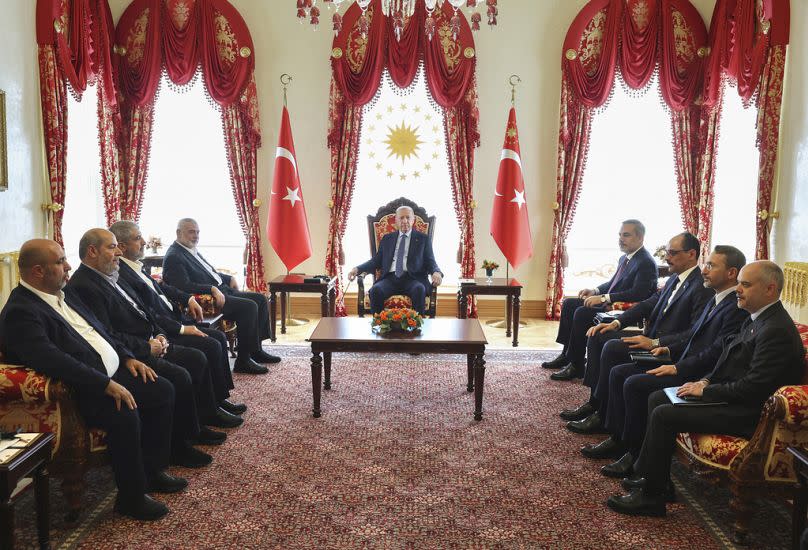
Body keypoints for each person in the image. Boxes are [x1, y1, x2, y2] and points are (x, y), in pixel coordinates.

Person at [0, 239, 184, 521]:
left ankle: (152, 471)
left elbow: (100, 332)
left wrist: (127, 357)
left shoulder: (65, 294)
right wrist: (103, 383)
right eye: (60, 261)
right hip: (79, 388)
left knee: (162, 390)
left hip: (110, 371)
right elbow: (52, 359)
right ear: (37, 271)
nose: (68, 266)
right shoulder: (20, 312)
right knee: (125, 411)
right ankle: (131, 498)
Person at [607, 260, 805, 517]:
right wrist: (706, 381)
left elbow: (754, 388)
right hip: (731, 398)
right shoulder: (758, 316)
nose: (738, 290)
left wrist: (706, 392)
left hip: (748, 414)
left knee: (664, 414)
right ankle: (656, 480)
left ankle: (651, 499)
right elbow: (726, 359)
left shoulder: (775, 330)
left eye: (745, 285)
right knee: (658, 397)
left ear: (770, 289)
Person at [582, 246, 749, 479]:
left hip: (697, 371)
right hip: (678, 355)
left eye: (711, 265)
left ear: (731, 273)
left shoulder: (731, 305)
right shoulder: (716, 298)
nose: (705, 270)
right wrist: (664, 347)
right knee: (619, 370)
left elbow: (716, 351)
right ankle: (617, 435)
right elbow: (694, 335)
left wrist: (673, 361)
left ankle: (634, 453)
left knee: (634, 383)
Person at [67, 229, 228, 469]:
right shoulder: (84, 285)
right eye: (112, 247)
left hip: (149, 341)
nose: (118, 253)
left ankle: (193, 431)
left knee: (195, 357)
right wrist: (145, 348)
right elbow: (107, 333)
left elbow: (144, 311)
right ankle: (180, 445)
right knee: (182, 371)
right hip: (133, 351)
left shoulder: (109, 274)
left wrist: (160, 335)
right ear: (92, 252)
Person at [561, 232, 713, 433]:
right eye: (667, 252)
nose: (667, 257)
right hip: (651, 339)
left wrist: (655, 342)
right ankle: (595, 403)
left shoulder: (701, 287)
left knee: (612, 348)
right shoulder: (675, 279)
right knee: (600, 335)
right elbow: (648, 304)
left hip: (665, 348)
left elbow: (693, 333)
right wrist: (617, 323)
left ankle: (603, 415)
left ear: (691, 254)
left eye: (672, 253)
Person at [109, 220, 246, 418]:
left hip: (173, 317)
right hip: (165, 328)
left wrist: (187, 297)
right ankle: (210, 411)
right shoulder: (121, 273)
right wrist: (180, 328)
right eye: (138, 238)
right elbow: (147, 312)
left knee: (216, 338)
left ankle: (218, 399)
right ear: (122, 246)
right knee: (210, 344)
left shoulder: (135, 266)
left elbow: (162, 287)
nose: (144, 243)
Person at [162, 218, 278, 374]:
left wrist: (229, 278)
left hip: (221, 291)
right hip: (206, 300)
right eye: (191, 232)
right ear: (178, 232)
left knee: (260, 299)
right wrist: (211, 289)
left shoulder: (190, 249)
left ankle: (256, 350)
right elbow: (181, 285)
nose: (195, 236)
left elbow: (210, 273)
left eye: (197, 232)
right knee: (249, 307)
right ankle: (243, 361)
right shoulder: (174, 256)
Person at [546, 220, 658, 381]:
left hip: (623, 310)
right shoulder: (625, 258)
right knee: (570, 303)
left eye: (626, 235)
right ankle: (566, 354)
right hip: (609, 304)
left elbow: (638, 294)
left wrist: (604, 297)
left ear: (640, 238)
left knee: (582, 312)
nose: (621, 239)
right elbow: (613, 283)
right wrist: (595, 291)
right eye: (620, 235)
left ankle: (577, 365)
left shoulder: (645, 261)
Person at [347, 205, 443, 315]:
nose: (405, 221)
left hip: (413, 279)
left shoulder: (423, 239)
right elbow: (376, 261)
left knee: (419, 289)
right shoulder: (387, 238)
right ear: (396, 221)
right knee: (375, 290)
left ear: (413, 220)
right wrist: (357, 269)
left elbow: (430, 261)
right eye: (401, 218)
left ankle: (417, 327)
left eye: (408, 217)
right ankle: (379, 327)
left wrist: (436, 272)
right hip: (390, 278)